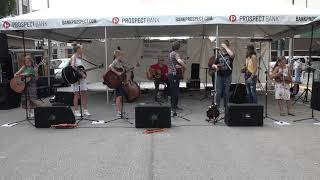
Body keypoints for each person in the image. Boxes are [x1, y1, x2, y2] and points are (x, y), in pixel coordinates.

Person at [109, 50, 138, 117]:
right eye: (121, 55)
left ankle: (120, 111)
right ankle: (118, 112)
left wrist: (133, 67)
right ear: (117, 55)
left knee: (120, 96)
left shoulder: (120, 62)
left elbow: (124, 70)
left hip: (120, 81)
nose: (122, 57)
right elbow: (110, 67)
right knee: (118, 96)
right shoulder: (115, 61)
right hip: (118, 81)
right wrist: (117, 73)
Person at [211, 40, 235, 111]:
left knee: (226, 92)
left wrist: (226, 47)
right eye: (222, 47)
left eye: (223, 46)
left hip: (228, 76)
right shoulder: (219, 56)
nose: (222, 48)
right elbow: (213, 64)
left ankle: (226, 107)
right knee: (218, 92)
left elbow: (232, 55)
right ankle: (217, 107)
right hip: (220, 76)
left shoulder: (229, 56)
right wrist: (216, 66)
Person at [70, 45, 90, 117]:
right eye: (81, 49)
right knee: (77, 94)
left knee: (84, 93)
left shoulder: (79, 58)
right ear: (78, 49)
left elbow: (80, 68)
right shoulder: (74, 57)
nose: (82, 50)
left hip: (81, 79)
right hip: (76, 79)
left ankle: (85, 110)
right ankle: (76, 110)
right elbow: (72, 66)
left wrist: (83, 73)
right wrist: (81, 73)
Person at [168, 41, 186, 116]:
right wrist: (184, 65)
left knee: (175, 90)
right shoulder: (175, 53)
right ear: (178, 47)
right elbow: (178, 61)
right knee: (175, 91)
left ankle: (175, 106)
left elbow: (175, 64)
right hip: (174, 74)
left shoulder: (171, 53)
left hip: (172, 74)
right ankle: (173, 108)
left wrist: (181, 64)